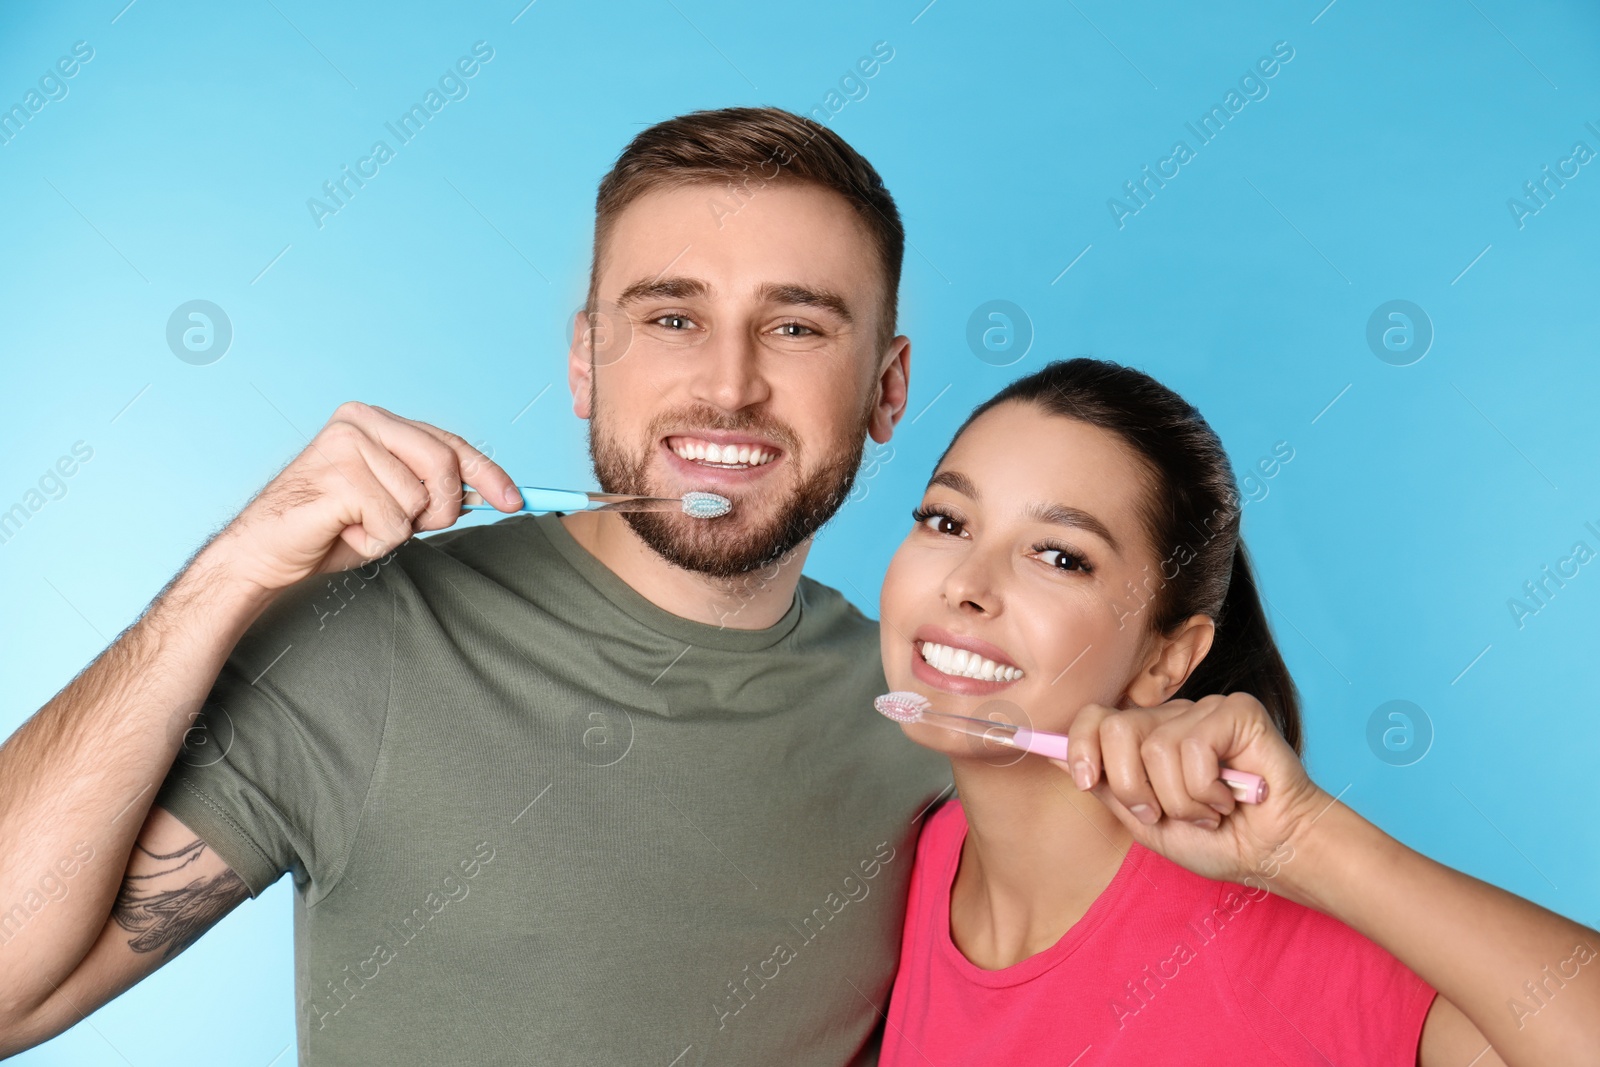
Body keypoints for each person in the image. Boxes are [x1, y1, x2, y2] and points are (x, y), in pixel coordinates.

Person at [0, 107, 953, 1065]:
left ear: (888, 386)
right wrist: (230, 575)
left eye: (795, 326)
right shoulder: (371, 641)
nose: (731, 384)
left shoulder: (937, 724)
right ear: (584, 360)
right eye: (673, 318)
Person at [874, 358, 1600, 1066]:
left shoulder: (1288, 949)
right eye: (946, 519)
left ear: (1166, 661)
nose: (967, 582)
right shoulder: (910, 858)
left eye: (1061, 556)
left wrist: (1309, 840)